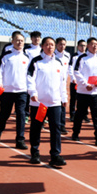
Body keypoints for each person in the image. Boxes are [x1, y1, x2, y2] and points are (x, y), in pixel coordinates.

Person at [26, 37, 67, 167]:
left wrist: (64, 97)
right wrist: (33, 93)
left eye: (52, 45)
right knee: (36, 128)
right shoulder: (36, 61)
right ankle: (35, 152)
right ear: (42, 46)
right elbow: (29, 78)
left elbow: (62, 82)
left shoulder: (58, 63)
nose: (50, 47)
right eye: (47, 45)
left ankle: (55, 155)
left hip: (55, 102)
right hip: (39, 103)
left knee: (56, 129)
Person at [0, 31, 30, 150]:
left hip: (22, 91)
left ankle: (20, 139)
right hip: (7, 91)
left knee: (21, 115)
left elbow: (29, 75)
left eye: (22, 41)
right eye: (17, 40)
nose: (19, 42)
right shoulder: (6, 56)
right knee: (4, 114)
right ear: (12, 41)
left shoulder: (26, 57)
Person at [71, 37, 97, 146]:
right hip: (83, 92)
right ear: (88, 46)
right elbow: (76, 71)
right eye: (92, 44)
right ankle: (75, 133)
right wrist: (85, 84)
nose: (94, 46)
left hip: (96, 92)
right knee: (80, 114)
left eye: (96, 44)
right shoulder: (82, 58)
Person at [54, 37, 70, 134]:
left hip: (63, 83)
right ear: (56, 45)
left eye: (64, 44)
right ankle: (41, 122)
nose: (62, 46)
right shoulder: (52, 54)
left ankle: (62, 125)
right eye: (60, 44)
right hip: (53, 82)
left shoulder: (67, 56)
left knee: (63, 103)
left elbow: (68, 69)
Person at [68, 40, 87, 122]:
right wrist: (73, 78)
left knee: (85, 99)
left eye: (84, 46)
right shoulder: (74, 56)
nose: (83, 47)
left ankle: (84, 115)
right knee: (73, 99)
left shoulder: (88, 56)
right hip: (75, 81)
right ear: (78, 46)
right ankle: (72, 115)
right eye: (81, 45)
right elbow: (70, 68)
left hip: (84, 82)